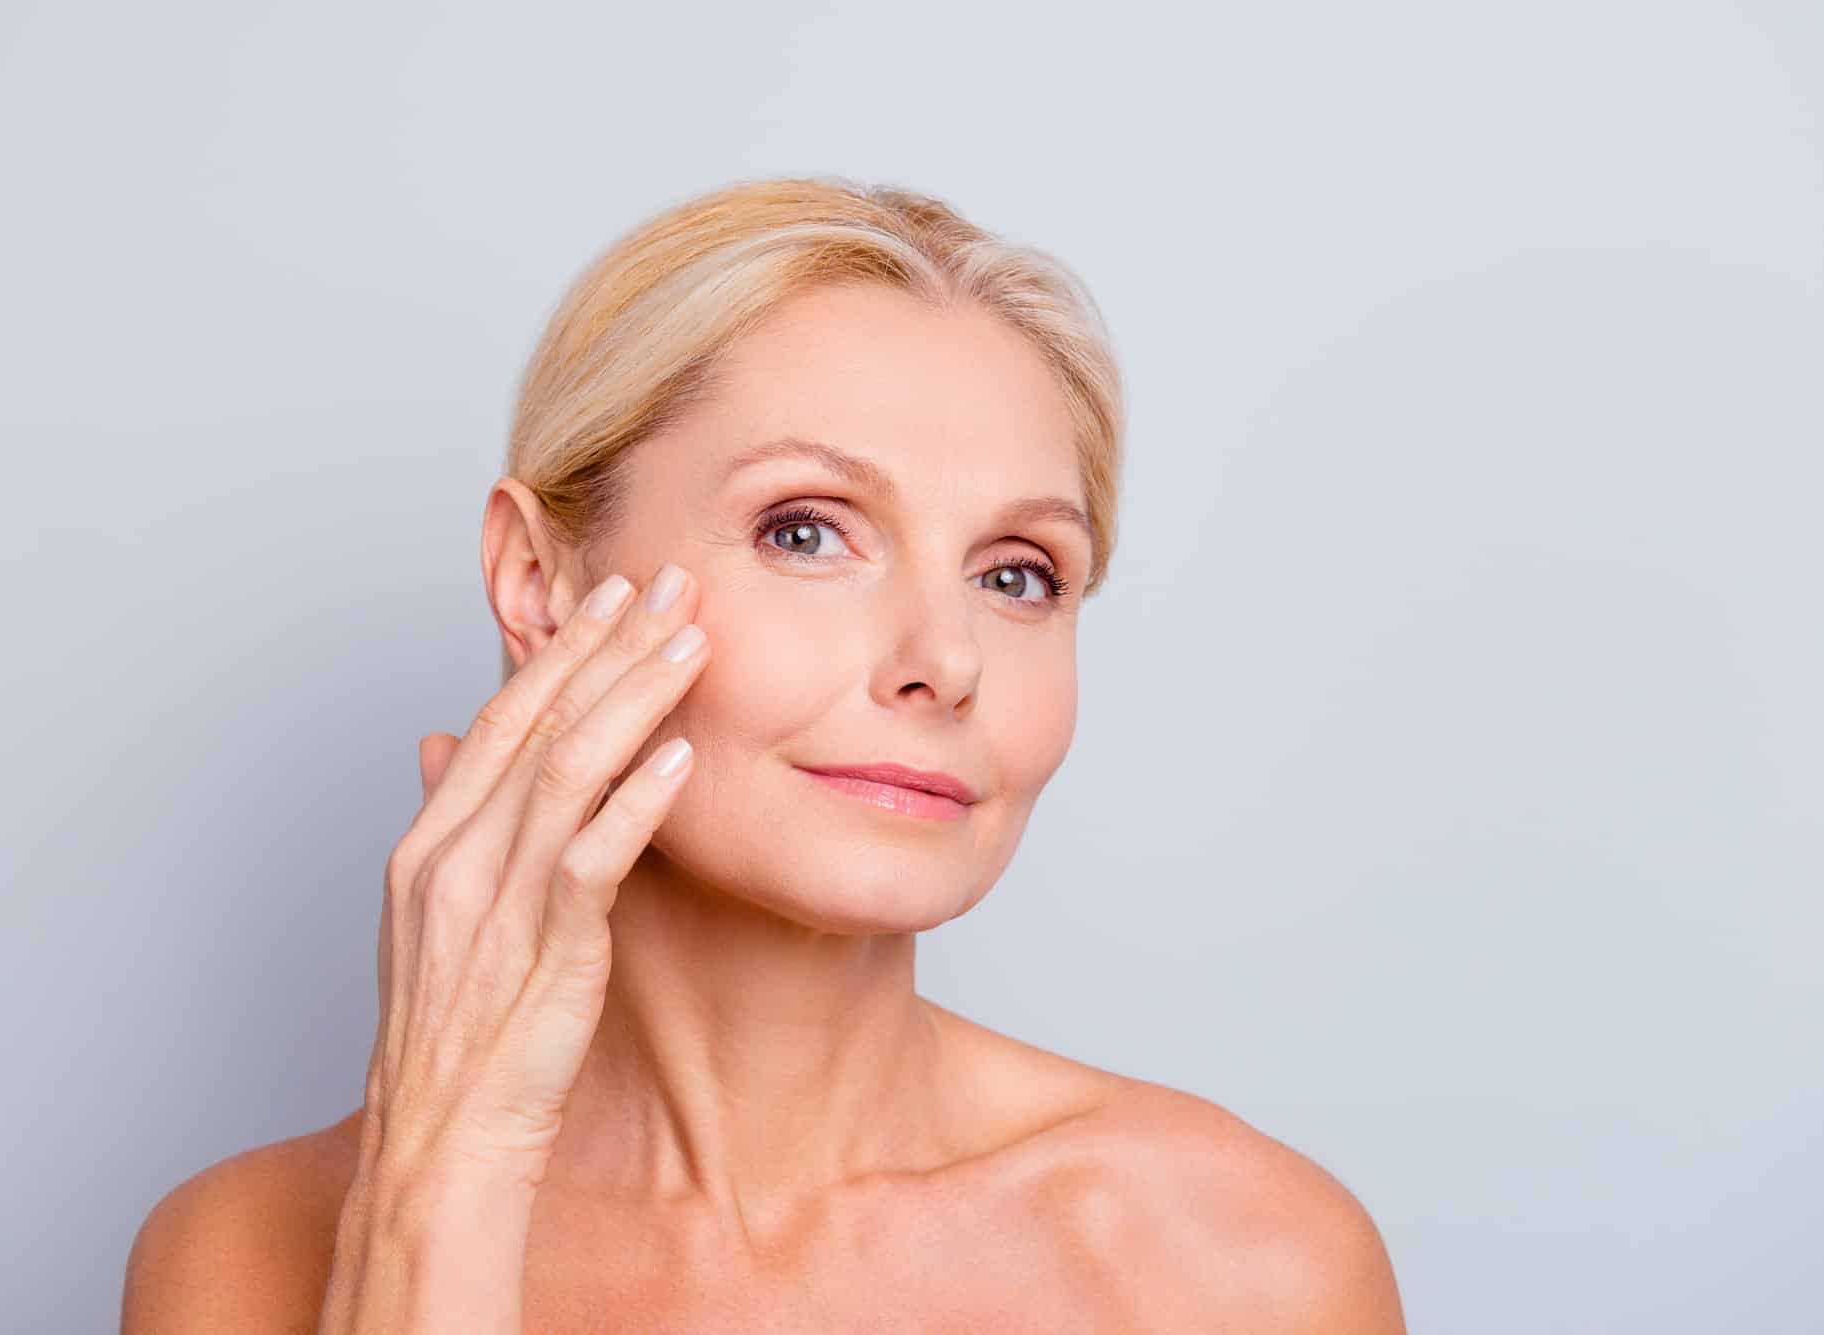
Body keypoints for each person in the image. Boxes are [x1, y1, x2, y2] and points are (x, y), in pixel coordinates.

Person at [121, 175, 1406, 1332]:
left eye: (1018, 575)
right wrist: (443, 1180)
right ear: (536, 579)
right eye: (806, 531)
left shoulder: (1236, 1263)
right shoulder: (243, 1258)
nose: (944, 660)